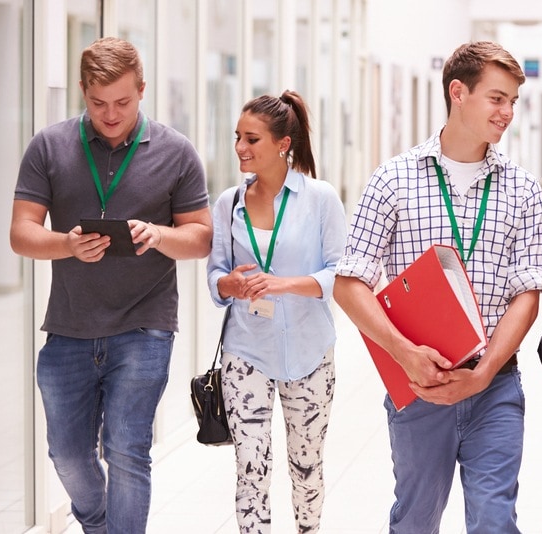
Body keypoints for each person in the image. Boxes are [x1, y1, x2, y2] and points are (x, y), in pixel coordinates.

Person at [333, 41, 542, 533]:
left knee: (495, 521)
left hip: (494, 385)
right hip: (418, 386)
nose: (508, 112)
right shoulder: (393, 179)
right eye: (497, 98)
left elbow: (527, 294)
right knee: (415, 520)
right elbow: (349, 285)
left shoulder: (521, 188)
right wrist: (405, 353)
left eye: (514, 101)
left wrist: (484, 371)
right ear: (458, 92)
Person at [10, 37, 212, 533]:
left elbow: (201, 237)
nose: (110, 114)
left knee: (126, 448)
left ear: (142, 90)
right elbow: (21, 232)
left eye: (123, 102)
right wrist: (66, 245)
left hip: (144, 328)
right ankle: (100, 525)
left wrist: (159, 234)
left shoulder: (176, 152)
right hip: (68, 327)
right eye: (97, 103)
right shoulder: (50, 146)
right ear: (82, 90)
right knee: (68, 455)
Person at [206, 91, 346, 533]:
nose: (240, 148)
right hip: (246, 349)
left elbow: (340, 275)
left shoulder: (319, 198)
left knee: (306, 466)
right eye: (238, 137)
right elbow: (216, 277)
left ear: (283, 143)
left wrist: (283, 284)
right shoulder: (229, 203)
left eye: (252, 139)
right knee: (250, 467)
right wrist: (227, 284)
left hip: (309, 351)